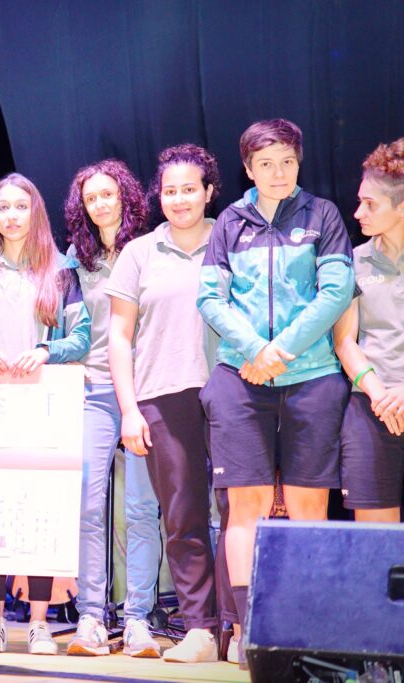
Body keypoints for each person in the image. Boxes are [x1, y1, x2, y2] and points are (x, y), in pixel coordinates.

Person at [197, 119, 355, 663]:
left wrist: (280, 350)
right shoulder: (229, 223)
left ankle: (309, 628)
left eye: (287, 161)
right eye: (266, 163)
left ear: (299, 161)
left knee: (311, 505)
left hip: (311, 376)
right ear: (248, 168)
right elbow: (211, 299)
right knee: (247, 506)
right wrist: (253, 350)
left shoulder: (323, 215)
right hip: (241, 378)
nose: (278, 172)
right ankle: (249, 630)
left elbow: (336, 292)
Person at [0, 172, 91, 655]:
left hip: (44, 402)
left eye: (20, 206)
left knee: (41, 508)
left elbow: (81, 336)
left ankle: (39, 623)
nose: (11, 215)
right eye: (3, 207)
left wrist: (47, 352)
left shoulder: (61, 268)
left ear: (35, 212)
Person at [108, 144, 222, 663]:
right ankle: (201, 629)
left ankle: (241, 625)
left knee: (237, 514)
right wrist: (129, 409)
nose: (179, 199)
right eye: (170, 191)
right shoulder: (139, 252)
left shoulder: (230, 238)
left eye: (189, 189)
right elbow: (118, 335)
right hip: (159, 396)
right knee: (183, 518)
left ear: (208, 191)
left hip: (232, 390)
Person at [62, 160, 163, 658]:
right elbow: (63, 325)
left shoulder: (150, 249)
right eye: (91, 198)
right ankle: (90, 617)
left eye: (108, 195)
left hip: (146, 391)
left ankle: (138, 618)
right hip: (94, 390)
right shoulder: (74, 259)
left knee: (141, 508)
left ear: (126, 196)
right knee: (87, 504)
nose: (100, 204)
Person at [333, 138, 404, 523]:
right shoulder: (354, 261)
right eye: (360, 200)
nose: (358, 212)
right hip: (370, 406)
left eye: (371, 204)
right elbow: (345, 341)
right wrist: (380, 396)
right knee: (375, 544)